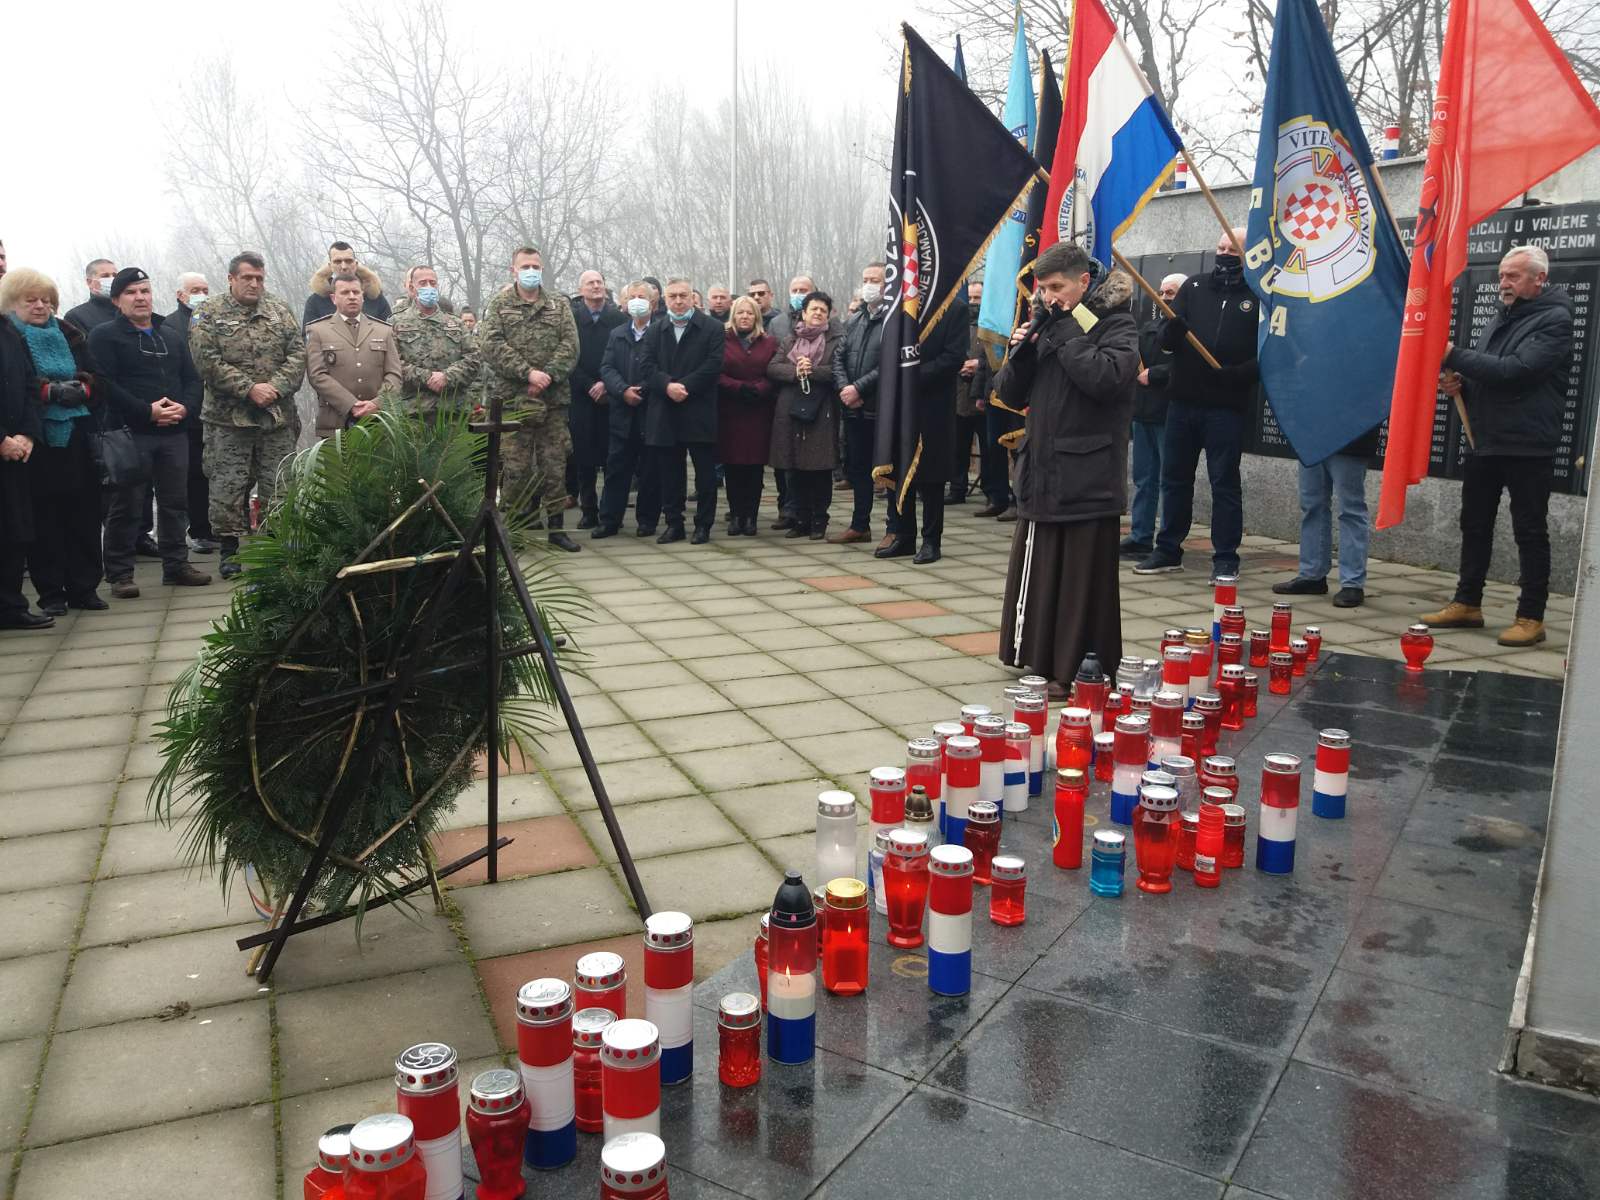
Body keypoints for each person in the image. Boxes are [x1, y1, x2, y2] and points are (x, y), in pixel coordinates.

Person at [996, 244, 1138, 697]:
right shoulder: (1049, 324)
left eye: (1057, 287)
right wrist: (1022, 351)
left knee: (1080, 578)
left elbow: (1107, 378)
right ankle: (1038, 657)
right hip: (1043, 468)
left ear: (1083, 282)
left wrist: (1067, 336)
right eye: (1043, 289)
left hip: (1088, 473)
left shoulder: (1116, 322)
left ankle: (1080, 667)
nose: (1048, 297)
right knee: (1041, 569)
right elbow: (1008, 394)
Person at [1422, 244, 1574, 648]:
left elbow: (1516, 372)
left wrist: (1454, 355)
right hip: (1486, 439)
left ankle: (1531, 617)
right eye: (1502, 275)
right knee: (1474, 524)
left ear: (1539, 279)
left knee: (1529, 530)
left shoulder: (1556, 320)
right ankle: (1467, 603)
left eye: (1513, 276)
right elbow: (1489, 373)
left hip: (1527, 444)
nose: (1503, 283)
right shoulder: (1502, 316)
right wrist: (1461, 384)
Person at [1135, 228, 1259, 581]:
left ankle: (1226, 557)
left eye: (1232, 249)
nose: (1224, 253)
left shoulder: (1257, 294)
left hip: (1226, 406)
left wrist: (1239, 374)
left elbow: (1268, 352)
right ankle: (1168, 549)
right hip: (1183, 402)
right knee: (1174, 479)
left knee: (1224, 483)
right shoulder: (1194, 286)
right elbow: (1167, 342)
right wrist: (1171, 334)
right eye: (1220, 247)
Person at [89, 268, 211, 597]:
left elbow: (192, 378)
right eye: (131, 292)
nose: (140, 297)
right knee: (127, 504)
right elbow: (104, 384)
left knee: (175, 503)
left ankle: (176, 565)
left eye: (144, 291)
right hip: (130, 432)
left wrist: (185, 408)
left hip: (174, 431)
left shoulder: (168, 333)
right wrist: (147, 411)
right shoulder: (104, 336)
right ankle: (120, 574)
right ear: (116, 300)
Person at [189, 251, 307, 579]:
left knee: (278, 485)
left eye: (259, 278)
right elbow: (206, 361)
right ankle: (230, 551)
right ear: (231, 279)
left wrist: (275, 387)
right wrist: (249, 388)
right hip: (228, 421)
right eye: (247, 278)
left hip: (275, 419)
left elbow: (298, 354)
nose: (254, 284)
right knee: (228, 487)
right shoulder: (207, 313)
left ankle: (275, 549)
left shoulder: (279, 309)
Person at [2, 268, 108, 613]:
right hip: (36, 438)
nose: (40, 306)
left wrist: (83, 388)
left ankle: (84, 588)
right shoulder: (10, 337)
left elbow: (97, 377)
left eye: (46, 300)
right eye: (30, 300)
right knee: (44, 519)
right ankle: (51, 593)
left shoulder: (69, 332)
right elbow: (18, 384)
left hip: (78, 434)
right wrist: (49, 392)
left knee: (85, 515)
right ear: (11, 303)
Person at [478, 246, 581, 551]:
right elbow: (491, 345)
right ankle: (511, 532)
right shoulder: (499, 305)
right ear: (513, 270)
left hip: (552, 401)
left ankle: (557, 530)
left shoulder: (558, 305)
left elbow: (571, 345)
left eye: (535, 266)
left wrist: (547, 374)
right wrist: (528, 373)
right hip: (513, 401)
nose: (531, 271)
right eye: (525, 266)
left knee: (554, 466)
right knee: (515, 469)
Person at [879, 293, 970, 564]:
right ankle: (904, 535)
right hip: (898, 402)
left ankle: (931, 540)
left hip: (933, 405)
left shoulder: (953, 306)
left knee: (931, 475)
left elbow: (953, 357)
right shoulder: (900, 304)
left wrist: (911, 376)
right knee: (899, 469)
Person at [640, 278, 724, 544]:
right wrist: (667, 386)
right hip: (665, 409)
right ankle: (674, 523)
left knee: (705, 473)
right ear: (665, 299)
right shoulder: (656, 329)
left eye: (683, 295)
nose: (678, 301)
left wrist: (684, 386)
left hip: (698, 408)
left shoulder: (712, 328)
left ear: (692, 297)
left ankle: (703, 525)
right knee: (670, 473)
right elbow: (646, 366)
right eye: (673, 296)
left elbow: (713, 365)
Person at [768, 291, 844, 540]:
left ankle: (819, 520)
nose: (818, 313)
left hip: (822, 410)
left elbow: (838, 371)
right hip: (790, 410)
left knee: (819, 469)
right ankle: (800, 519)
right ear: (804, 313)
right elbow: (772, 368)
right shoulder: (790, 340)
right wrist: (795, 370)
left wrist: (813, 371)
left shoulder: (837, 340)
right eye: (814, 309)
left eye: (823, 310)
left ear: (829, 315)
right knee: (794, 469)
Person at [1121, 272, 1184, 559]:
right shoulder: (1149, 327)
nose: (1164, 297)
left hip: (1169, 413)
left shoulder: (1191, 330)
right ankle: (1140, 536)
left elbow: (1192, 367)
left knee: (1169, 480)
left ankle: (1166, 542)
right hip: (1143, 412)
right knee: (1144, 479)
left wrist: (1156, 374)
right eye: (1161, 292)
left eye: (1171, 292)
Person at [594, 281, 662, 539]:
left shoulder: (661, 332)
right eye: (632, 297)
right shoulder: (618, 333)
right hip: (622, 413)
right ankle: (609, 520)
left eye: (641, 296)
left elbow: (664, 367)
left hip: (651, 412)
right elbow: (607, 367)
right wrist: (622, 390)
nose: (636, 301)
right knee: (616, 469)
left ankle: (647, 520)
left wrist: (643, 389)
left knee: (650, 471)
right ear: (624, 303)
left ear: (652, 303)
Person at [830, 262, 888, 544]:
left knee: (888, 469)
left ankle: (895, 528)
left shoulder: (894, 320)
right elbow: (838, 357)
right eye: (865, 279)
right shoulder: (854, 320)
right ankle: (859, 525)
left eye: (875, 280)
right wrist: (845, 388)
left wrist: (859, 387)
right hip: (853, 408)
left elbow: (890, 363)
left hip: (880, 407)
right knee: (858, 468)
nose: (868, 285)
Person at [305, 274, 402, 438]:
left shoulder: (383, 331)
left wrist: (377, 403)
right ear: (333, 298)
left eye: (356, 292)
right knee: (339, 457)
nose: (352, 297)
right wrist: (351, 404)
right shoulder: (318, 331)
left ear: (362, 297)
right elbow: (317, 375)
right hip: (336, 423)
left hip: (379, 421)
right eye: (345, 292)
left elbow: (394, 374)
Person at [0, 288, 46, 628]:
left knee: (14, 533)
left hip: (15, 450)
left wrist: (27, 434)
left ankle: (11, 607)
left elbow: (30, 385)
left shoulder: (8, 330)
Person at [568, 270, 626, 528]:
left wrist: (606, 383)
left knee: (614, 457)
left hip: (612, 394)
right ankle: (588, 509)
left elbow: (623, 356)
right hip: (581, 395)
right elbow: (568, 358)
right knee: (584, 457)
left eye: (599, 282)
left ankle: (611, 512)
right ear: (581, 289)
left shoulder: (618, 319)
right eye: (590, 283)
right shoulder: (571, 319)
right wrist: (589, 385)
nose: (595, 286)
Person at [717, 295, 778, 536]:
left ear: (757, 316)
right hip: (730, 411)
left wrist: (761, 388)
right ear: (733, 316)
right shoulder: (722, 340)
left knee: (754, 469)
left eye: (750, 313)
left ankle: (751, 517)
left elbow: (774, 372)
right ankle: (736, 515)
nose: (745, 317)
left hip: (758, 412)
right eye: (740, 312)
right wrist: (738, 387)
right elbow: (715, 373)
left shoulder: (769, 342)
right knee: (732, 468)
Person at [166, 273, 217, 553]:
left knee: (218, 472)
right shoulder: (170, 326)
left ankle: (218, 526)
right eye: (195, 290)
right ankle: (196, 529)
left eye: (205, 290)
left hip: (220, 411)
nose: (201, 295)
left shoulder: (217, 319)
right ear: (180, 294)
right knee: (194, 475)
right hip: (189, 413)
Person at [392, 265, 480, 416]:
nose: (429, 287)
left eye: (433, 283)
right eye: (423, 283)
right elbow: (392, 363)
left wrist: (447, 377)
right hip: (414, 410)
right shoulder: (396, 322)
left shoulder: (456, 323)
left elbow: (474, 358)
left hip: (453, 410)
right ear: (412, 288)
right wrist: (427, 378)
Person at [948, 280, 991, 506]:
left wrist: (979, 365)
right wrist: (959, 365)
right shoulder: (957, 325)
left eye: (978, 298)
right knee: (958, 447)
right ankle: (957, 488)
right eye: (971, 298)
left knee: (989, 448)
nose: (973, 302)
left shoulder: (992, 324)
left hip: (983, 396)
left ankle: (992, 491)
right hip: (959, 396)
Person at [302, 241, 392, 328]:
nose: (344, 266)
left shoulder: (376, 299)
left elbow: (390, 333)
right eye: (338, 262)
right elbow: (309, 336)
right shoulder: (316, 302)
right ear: (330, 266)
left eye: (348, 261)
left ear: (356, 264)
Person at [63, 258, 119, 334]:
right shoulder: (76, 316)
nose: (112, 279)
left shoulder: (129, 310)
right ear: (89, 282)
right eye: (105, 276)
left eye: (115, 275)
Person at [767, 274, 816, 343]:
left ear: (813, 293)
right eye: (794, 291)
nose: (797, 294)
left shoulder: (821, 319)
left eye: (803, 291)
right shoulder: (776, 323)